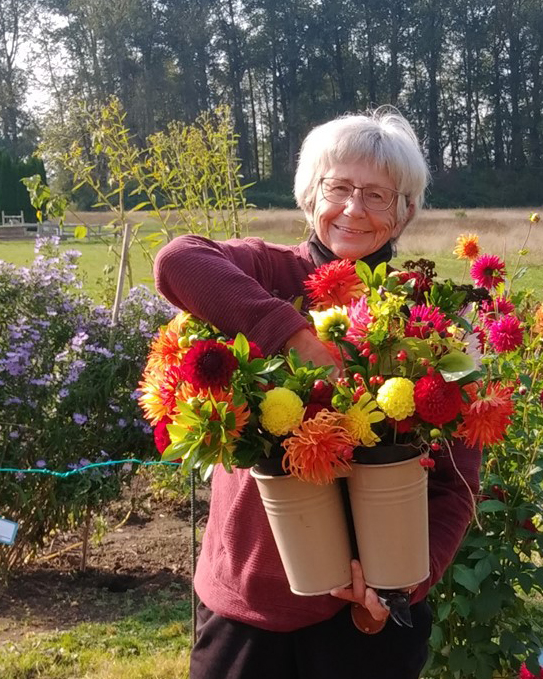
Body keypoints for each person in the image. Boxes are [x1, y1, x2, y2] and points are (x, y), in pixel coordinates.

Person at [153, 108, 482, 679]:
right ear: (310, 194)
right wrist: (293, 335)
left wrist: (409, 580)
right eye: (340, 187)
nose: (354, 209)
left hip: (366, 613)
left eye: (379, 195)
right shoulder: (267, 272)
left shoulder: (436, 323)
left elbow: (458, 484)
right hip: (247, 605)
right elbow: (177, 261)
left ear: (404, 213)